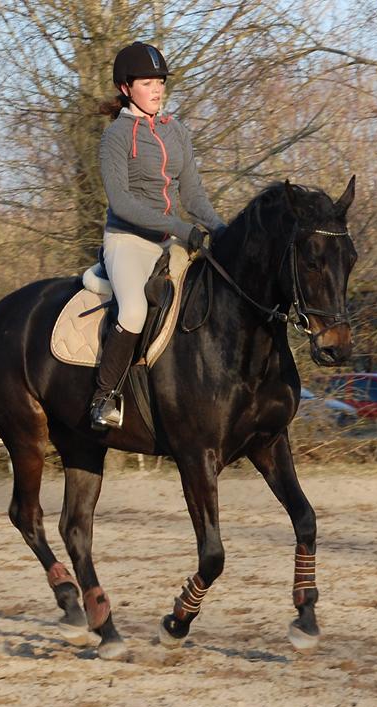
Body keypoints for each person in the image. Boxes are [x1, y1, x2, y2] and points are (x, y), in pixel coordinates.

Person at [89, 40, 227, 430]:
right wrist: (183, 228)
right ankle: (104, 397)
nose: (156, 89)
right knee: (133, 311)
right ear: (125, 88)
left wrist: (224, 231)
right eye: (147, 83)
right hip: (127, 241)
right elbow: (122, 204)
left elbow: (194, 195)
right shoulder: (115, 137)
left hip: (169, 242)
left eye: (160, 82)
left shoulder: (176, 131)